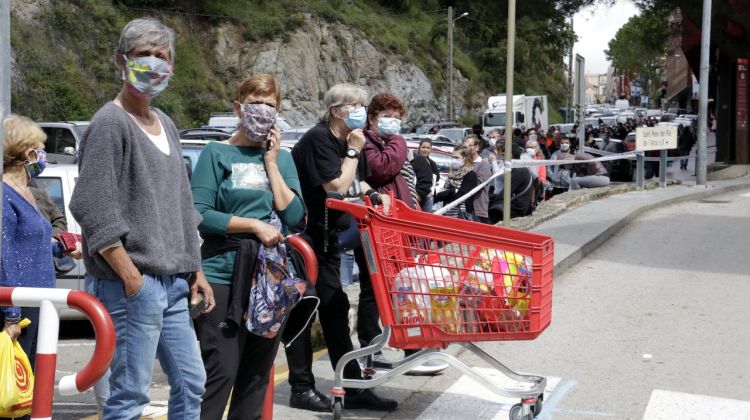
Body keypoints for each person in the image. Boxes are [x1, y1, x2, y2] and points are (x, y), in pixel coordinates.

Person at [69, 18, 214, 419]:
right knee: (129, 395)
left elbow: (182, 203)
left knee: (191, 382)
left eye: (161, 56)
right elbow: (93, 205)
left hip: (172, 283)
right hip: (130, 284)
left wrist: (194, 267)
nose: (153, 64)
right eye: (142, 55)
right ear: (121, 61)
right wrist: (131, 276)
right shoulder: (110, 123)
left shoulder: (165, 123)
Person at [189, 74, 305, 419]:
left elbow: (295, 214)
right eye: (257, 102)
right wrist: (253, 225)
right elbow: (200, 214)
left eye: (271, 105)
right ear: (239, 106)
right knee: (221, 371)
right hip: (223, 273)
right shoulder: (216, 153)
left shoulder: (282, 159)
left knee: (256, 376)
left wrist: (270, 163)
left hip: (268, 281)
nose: (263, 111)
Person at [289, 83, 397, 412]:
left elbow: (357, 182)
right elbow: (335, 186)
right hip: (305, 238)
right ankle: (302, 387)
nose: (361, 112)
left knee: (335, 309)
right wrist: (352, 151)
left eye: (363, 106)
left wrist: (376, 196)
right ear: (336, 110)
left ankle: (350, 384)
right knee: (305, 312)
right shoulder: (319, 139)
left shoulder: (350, 141)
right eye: (355, 106)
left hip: (328, 240)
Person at [1, 115, 70, 386]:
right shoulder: (5, 194)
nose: (44, 155)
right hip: (21, 306)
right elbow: (4, 255)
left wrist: (60, 249)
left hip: (41, 302)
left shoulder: (29, 190)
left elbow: (30, 244)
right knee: (15, 390)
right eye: (40, 149)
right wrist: (12, 315)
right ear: (27, 152)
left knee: (33, 388)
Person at [488, 144, 535, 224]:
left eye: (504, 152)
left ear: (511, 154)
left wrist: (490, 200)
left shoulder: (519, 170)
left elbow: (507, 191)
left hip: (516, 207)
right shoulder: (518, 166)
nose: (502, 154)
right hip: (515, 203)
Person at [434, 145, 478, 220]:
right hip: (447, 212)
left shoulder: (471, 175)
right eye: (452, 157)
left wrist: (446, 194)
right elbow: (446, 191)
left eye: (456, 158)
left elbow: (461, 195)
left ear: (465, 158)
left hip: (461, 215)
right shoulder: (452, 173)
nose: (454, 160)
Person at [463, 134, 492, 223]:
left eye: (470, 145)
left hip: (476, 209)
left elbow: (479, 185)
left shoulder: (483, 164)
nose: (467, 148)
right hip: (462, 208)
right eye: (465, 146)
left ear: (477, 147)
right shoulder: (462, 163)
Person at [411, 138, 439, 212]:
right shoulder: (413, 161)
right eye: (423, 147)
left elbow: (437, 177)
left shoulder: (432, 163)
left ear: (430, 150)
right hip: (416, 195)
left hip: (428, 196)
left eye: (428, 148)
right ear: (419, 148)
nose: (425, 150)